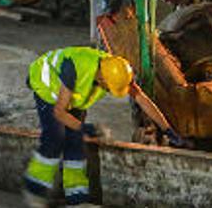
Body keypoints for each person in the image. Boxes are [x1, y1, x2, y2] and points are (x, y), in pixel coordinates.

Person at [21, 46, 178, 207]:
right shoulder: (73, 68)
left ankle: (77, 200)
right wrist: (85, 128)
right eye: (110, 88)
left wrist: (167, 129)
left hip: (74, 96)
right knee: (55, 138)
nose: (110, 91)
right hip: (47, 88)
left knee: (75, 142)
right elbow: (60, 113)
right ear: (103, 80)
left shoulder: (115, 70)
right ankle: (34, 191)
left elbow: (142, 99)